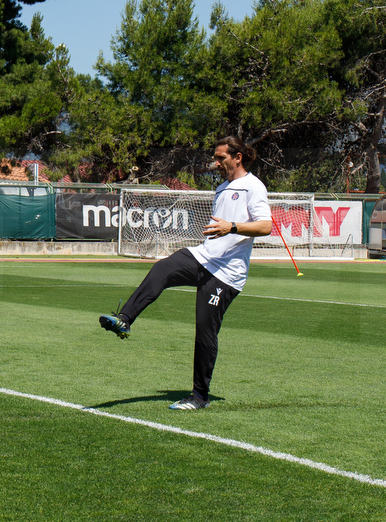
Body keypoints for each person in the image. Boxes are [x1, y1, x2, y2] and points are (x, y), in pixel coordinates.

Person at [98, 136, 272, 410]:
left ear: (237, 157)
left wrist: (233, 227)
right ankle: (124, 319)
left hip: (227, 274)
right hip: (204, 256)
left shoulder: (253, 187)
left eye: (221, 158)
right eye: (215, 158)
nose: (216, 163)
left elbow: (265, 227)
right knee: (163, 268)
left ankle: (200, 397)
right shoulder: (221, 188)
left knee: (204, 331)